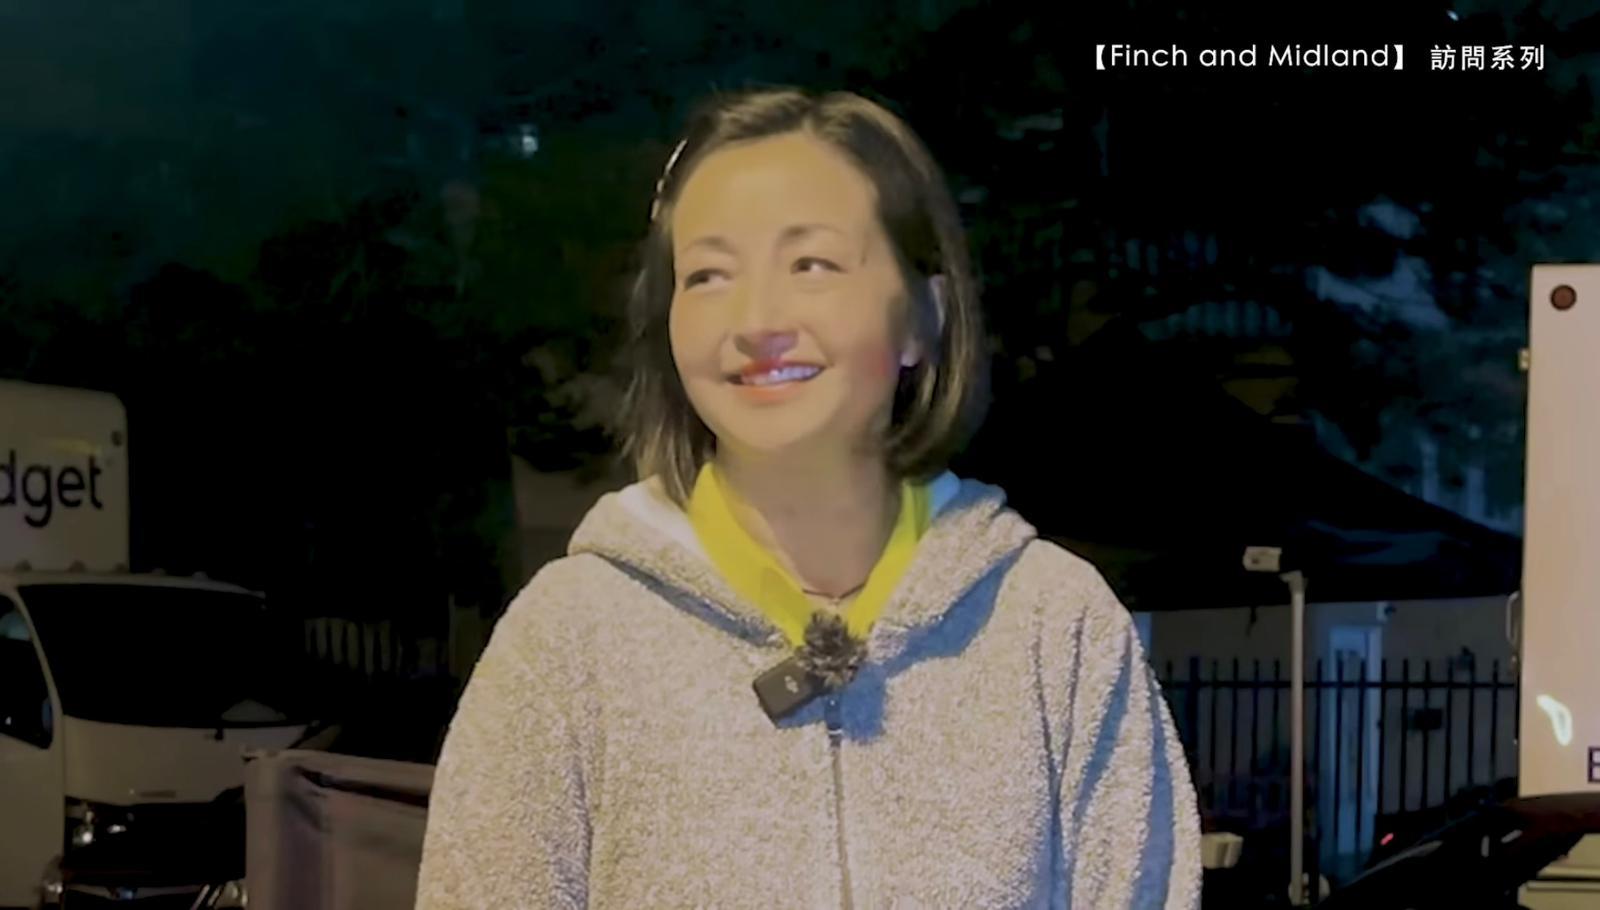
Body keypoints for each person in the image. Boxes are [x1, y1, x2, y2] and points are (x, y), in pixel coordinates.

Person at [416, 87, 1202, 909]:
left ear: (923, 316)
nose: (756, 320)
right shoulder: (569, 639)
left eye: (811, 264)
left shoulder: (1055, 627)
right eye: (708, 274)